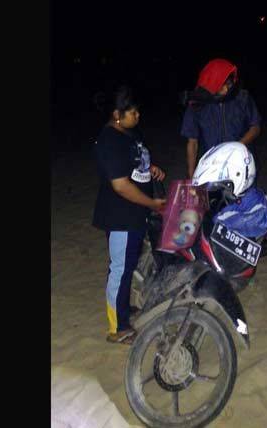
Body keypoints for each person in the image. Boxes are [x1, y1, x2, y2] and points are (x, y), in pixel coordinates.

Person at [92, 85, 167, 345]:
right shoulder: (109, 140)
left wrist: (150, 168)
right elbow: (120, 185)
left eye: (137, 110)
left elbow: (134, 164)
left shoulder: (128, 133)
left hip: (134, 214)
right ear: (116, 114)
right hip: (120, 216)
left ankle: (123, 309)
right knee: (120, 269)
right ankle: (117, 327)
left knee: (128, 265)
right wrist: (152, 203)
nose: (137, 115)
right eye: (131, 111)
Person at [181, 58, 262, 178]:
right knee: (212, 196)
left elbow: (255, 127)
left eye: (228, 84)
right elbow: (192, 142)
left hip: (241, 162)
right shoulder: (197, 104)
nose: (226, 89)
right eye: (221, 85)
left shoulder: (242, 98)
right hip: (211, 164)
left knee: (245, 196)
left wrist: (235, 147)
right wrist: (191, 174)